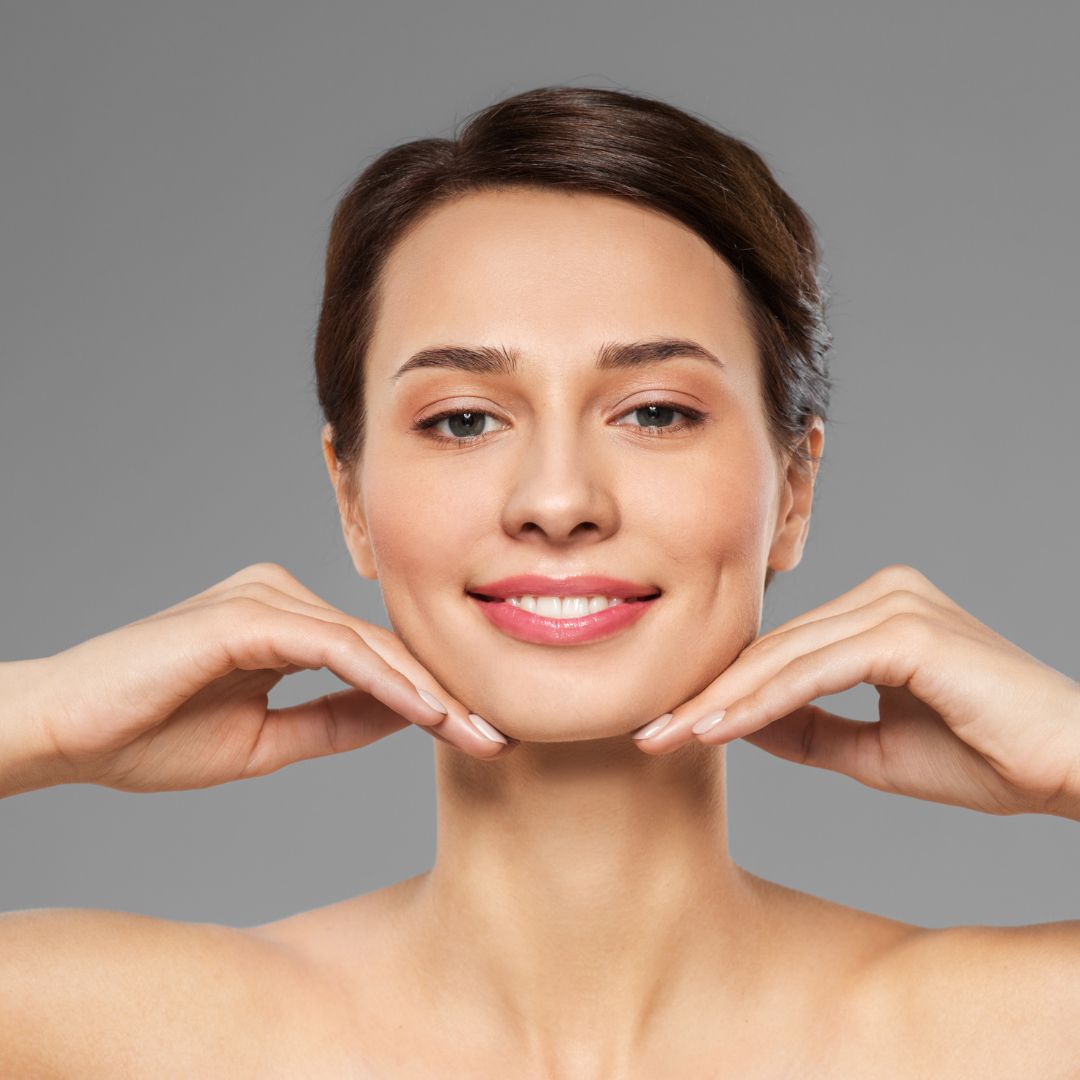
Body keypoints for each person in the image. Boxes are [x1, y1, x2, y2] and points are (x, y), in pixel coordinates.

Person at [2, 85, 1078, 1077]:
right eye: (463, 420)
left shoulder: (1001, 1038)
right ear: (350, 498)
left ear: (793, 488)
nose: (558, 500)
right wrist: (42, 714)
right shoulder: (113, 1036)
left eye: (655, 411)